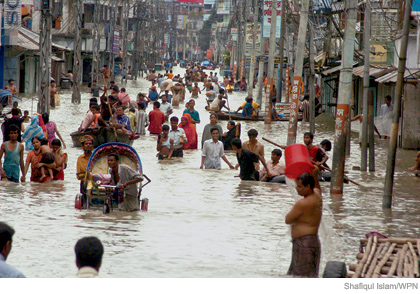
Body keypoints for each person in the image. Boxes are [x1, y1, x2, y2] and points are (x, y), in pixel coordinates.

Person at [285, 168, 322, 277]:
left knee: (301, 278)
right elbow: (317, 187)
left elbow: (288, 219)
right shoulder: (317, 195)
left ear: (308, 187)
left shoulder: (302, 203)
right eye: (297, 185)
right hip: (312, 242)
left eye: (300, 187)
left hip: (304, 246)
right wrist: (315, 174)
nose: (297, 189)